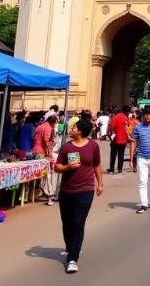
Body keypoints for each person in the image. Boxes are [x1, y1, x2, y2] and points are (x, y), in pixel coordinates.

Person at [54, 117, 103, 274]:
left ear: (80, 130)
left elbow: (96, 164)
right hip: (66, 191)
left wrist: (100, 183)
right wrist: (67, 167)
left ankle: (73, 259)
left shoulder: (93, 146)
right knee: (67, 223)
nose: (70, 129)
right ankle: (71, 247)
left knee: (78, 222)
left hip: (85, 190)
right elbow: (57, 167)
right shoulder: (66, 147)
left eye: (73, 127)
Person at [32, 114, 59, 205]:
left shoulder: (40, 126)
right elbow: (46, 141)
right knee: (46, 174)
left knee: (40, 174)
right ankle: (49, 194)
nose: (55, 125)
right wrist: (50, 153)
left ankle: (42, 192)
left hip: (36, 151)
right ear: (53, 122)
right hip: (42, 153)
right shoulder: (47, 128)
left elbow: (34, 137)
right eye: (55, 123)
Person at [107, 106, 129, 174]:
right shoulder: (126, 118)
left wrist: (109, 133)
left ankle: (111, 169)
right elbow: (128, 127)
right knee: (121, 154)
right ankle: (120, 169)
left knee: (113, 154)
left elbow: (111, 127)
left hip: (115, 139)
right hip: (123, 139)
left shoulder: (115, 117)